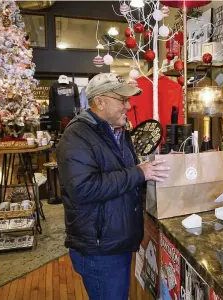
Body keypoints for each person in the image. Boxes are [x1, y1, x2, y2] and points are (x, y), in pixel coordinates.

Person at [56, 73, 170, 299]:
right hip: (100, 248)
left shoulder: (117, 131)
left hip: (117, 241)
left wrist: (152, 170)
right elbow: (83, 188)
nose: (128, 106)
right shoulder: (76, 136)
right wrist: (139, 172)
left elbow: (122, 173)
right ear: (100, 101)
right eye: (121, 100)